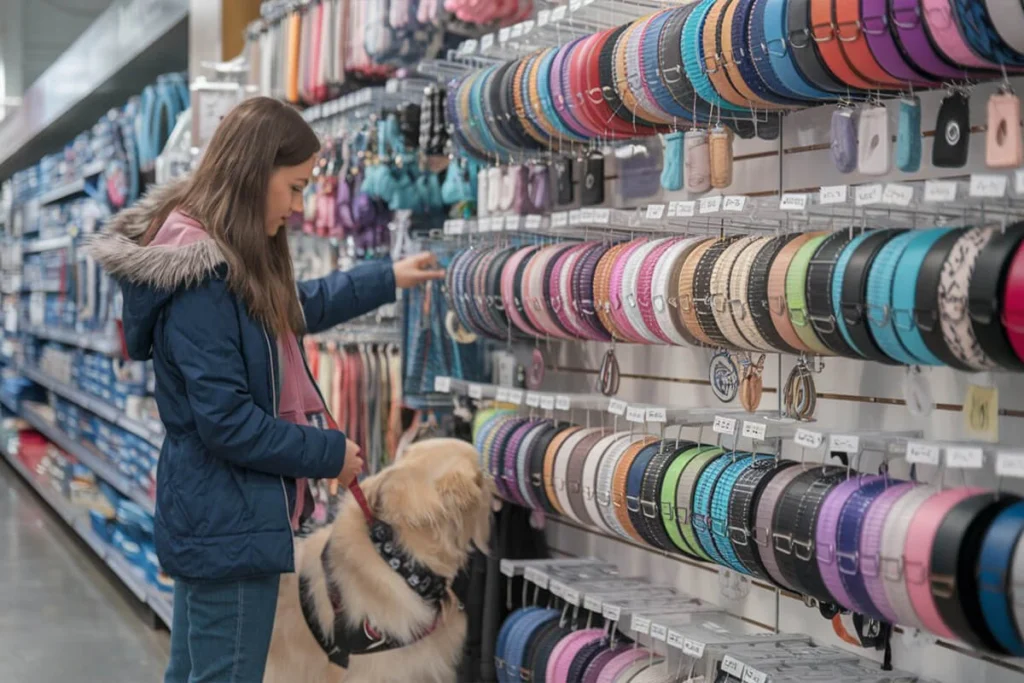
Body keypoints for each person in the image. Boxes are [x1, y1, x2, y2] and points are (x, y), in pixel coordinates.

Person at [87, 96, 444, 683]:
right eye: (295, 187)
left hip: (219, 515)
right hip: (228, 518)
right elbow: (226, 421)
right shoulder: (203, 281)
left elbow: (294, 308)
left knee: (195, 672)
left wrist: (387, 277)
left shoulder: (221, 264)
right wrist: (330, 452)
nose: (300, 207)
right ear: (255, 173)